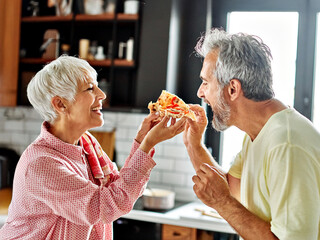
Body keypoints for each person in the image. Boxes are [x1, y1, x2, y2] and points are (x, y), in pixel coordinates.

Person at [0, 55, 186, 240]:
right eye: (90, 88)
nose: (102, 95)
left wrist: (142, 140)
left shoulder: (86, 144)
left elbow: (116, 187)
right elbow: (106, 206)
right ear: (60, 104)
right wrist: (147, 146)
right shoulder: (41, 163)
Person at [183, 28, 320, 240]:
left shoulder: (287, 146)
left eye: (206, 82)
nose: (200, 93)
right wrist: (193, 144)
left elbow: (225, 199)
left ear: (232, 89)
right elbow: (232, 190)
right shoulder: (258, 133)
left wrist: (221, 202)